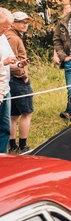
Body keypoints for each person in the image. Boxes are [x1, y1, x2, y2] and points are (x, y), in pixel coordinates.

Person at [5, 13, 33, 152]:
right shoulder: (13, 38)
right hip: (16, 80)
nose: (25, 25)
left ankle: (13, 145)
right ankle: (22, 145)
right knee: (27, 112)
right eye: (21, 22)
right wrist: (23, 76)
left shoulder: (9, 36)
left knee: (13, 115)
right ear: (13, 23)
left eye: (26, 22)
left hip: (10, 80)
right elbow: (12, 61)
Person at [0, 9, 17, 154]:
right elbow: (3, 61)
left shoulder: (3, 37)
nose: (7, 30)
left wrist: (18, 64)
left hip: (5, 88)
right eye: (4, 27)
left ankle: (3, 155)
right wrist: (3, 62)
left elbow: (11, 59)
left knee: (5, 127)